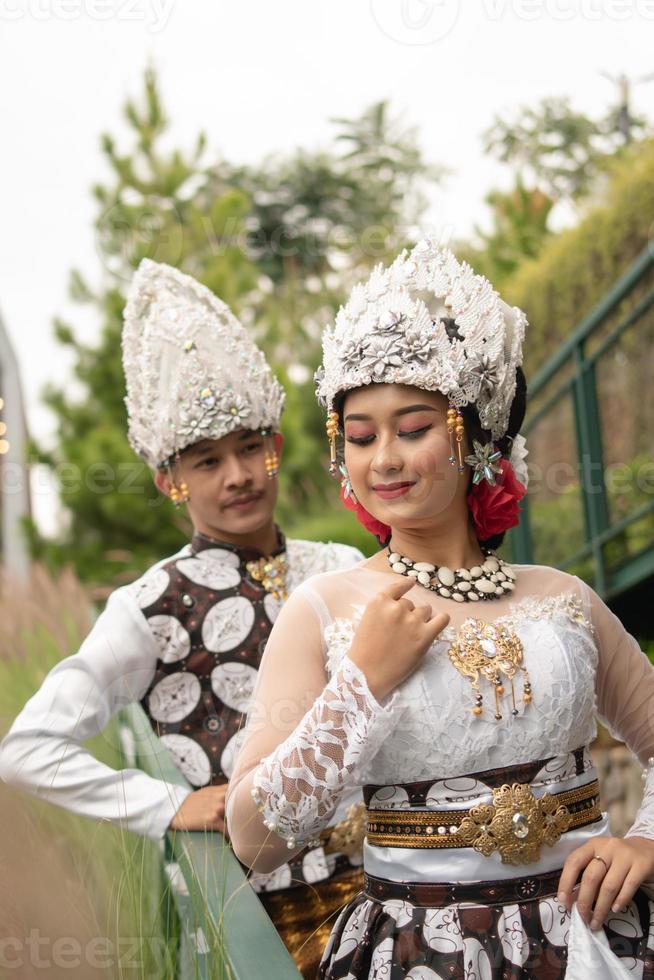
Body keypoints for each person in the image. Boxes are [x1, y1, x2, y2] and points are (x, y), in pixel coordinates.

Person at [227, 241, 654, 978]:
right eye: (359, 437)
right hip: (421, 955)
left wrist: (645, 841)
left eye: (413, 428)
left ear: (471, 435)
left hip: (598, 944)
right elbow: (255, 840)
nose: (383, 459)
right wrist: (361, 683)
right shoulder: (324, 610)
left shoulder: (564, 599)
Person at [0, 259, 365, 978]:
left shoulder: (341, 564)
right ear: (171, 481)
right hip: (268, 917)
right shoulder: (150, 605)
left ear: (276, 448)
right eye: (206, 461)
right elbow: (26, 749)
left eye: (249, 448)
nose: (237, 475)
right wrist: (167, 804)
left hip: (389, 881)